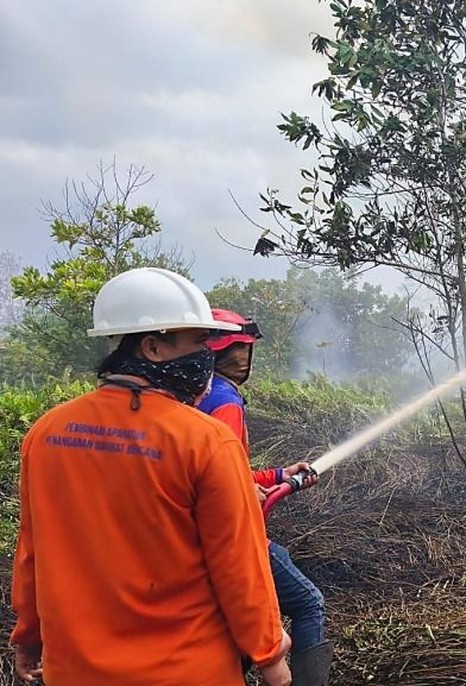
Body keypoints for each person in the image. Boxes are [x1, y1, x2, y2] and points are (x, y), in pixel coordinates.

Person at [10, 267, 291, 686]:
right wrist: (270, 657)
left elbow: (32, 551)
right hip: (187, 672)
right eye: (199, 342)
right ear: (153, 347)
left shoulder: (47, 432)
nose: (207, 355)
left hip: (76, 672)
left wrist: (28, 637)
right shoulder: (206, 440)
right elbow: (239, 567)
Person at [198, 308, 333, 686]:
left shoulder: (192, 396)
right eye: (236, 351)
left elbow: (221, 468)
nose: (242, 359)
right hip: (234, 538)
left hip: (200, 539)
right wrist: (244, 490)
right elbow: (221, 477)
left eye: (245, 350)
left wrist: (277, 476)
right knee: (308, 603)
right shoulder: (225, 401)